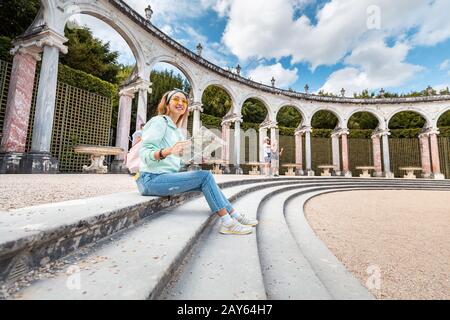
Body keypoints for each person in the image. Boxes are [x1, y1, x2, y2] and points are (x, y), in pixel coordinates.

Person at [135, 89, 258, 235]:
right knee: (204, 176)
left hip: (164, 176)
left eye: (184, 101)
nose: (180, 103)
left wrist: (196, 156)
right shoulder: (159, 122)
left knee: (205, 180)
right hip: (150, 179)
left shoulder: (177, 131)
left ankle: (234, 215)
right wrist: (167, 151)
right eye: (176, 99)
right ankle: (228, 222)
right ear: (167, 104)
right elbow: (143, 154)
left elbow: (175, 163)